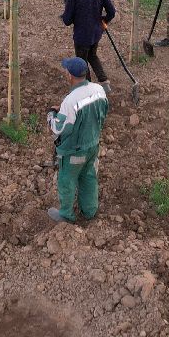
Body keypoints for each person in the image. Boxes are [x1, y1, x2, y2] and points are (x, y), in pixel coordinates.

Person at [46, 56, 108, 223]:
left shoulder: (70, 100)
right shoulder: (98, 90)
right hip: (93, 144)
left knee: (67, 180)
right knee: (89, 177)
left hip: (74, 150)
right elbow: (100, 111)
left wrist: (51, 115)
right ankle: (89, 211)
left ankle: (66, 214)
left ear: (70, 75)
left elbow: (60, 128)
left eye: (66, 71)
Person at [60, 0, 116, 86]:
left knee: (82, 63)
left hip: (82, 37)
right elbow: (111, 11)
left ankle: (88, 88)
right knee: (92, 55)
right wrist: (103, 22)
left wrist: (65, 15)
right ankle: (103, 81)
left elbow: (67, 21)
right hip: (96, 33)